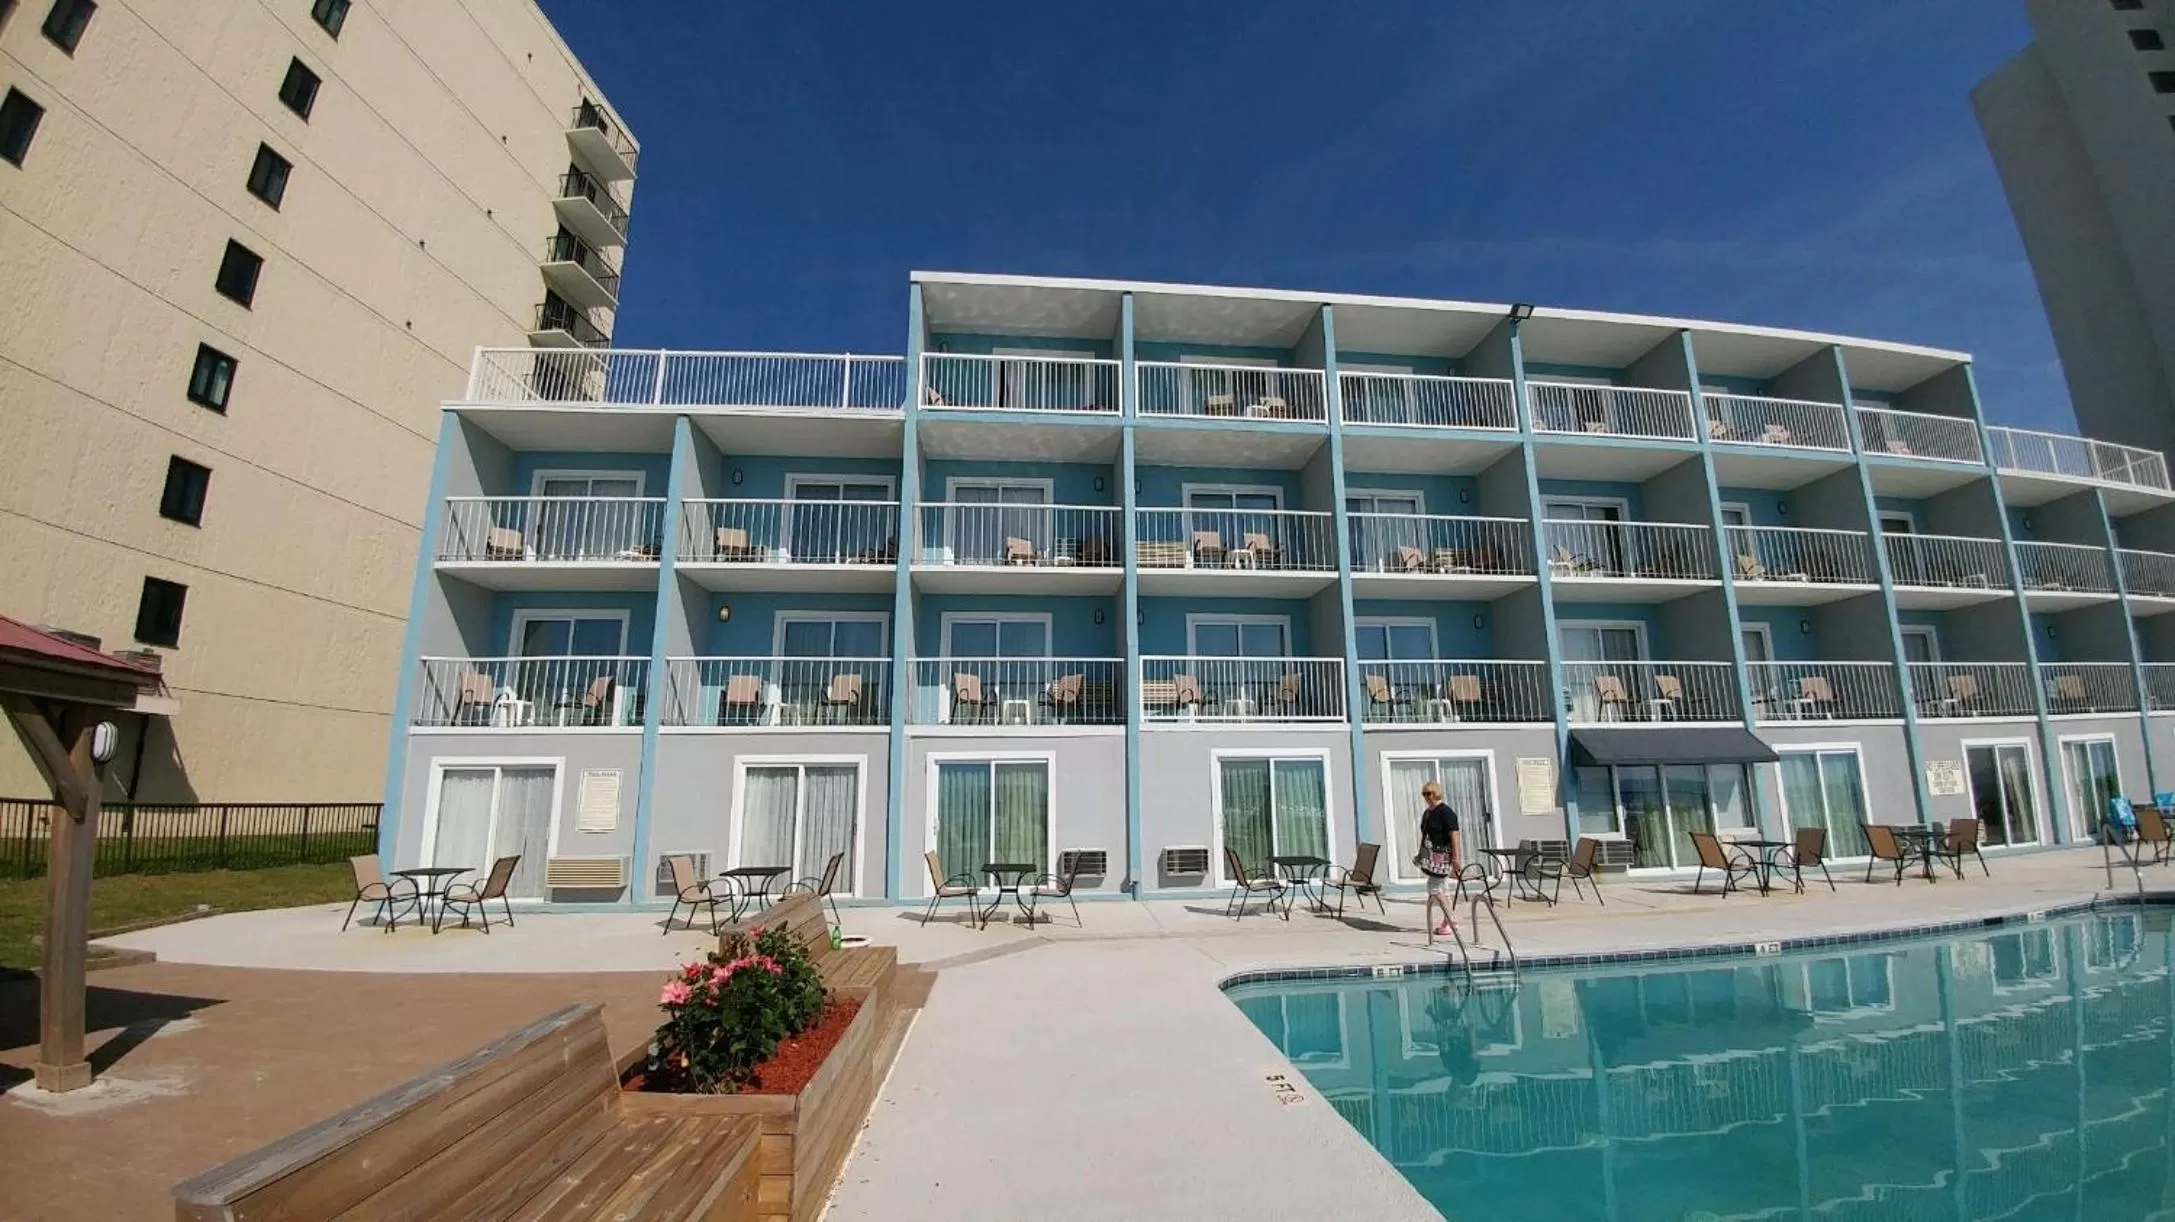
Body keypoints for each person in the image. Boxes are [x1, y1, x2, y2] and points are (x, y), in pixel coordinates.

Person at [1417, 780, 1463, 938]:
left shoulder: (1445, 812)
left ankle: (1452, 920)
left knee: (1434, 889)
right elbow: (1425, 835)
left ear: (1436, 793)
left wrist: (1456, 857)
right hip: (1430, 855)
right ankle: (1447, 922)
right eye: (1424, 794)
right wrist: (1420, 853)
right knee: (1443, 888)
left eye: (1429, 793)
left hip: (1442, 856)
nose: (1426, 797)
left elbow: (1454, 834)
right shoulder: (1428, 813)